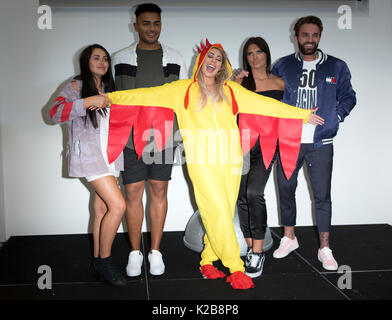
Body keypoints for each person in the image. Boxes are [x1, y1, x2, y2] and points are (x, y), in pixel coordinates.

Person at [103, 40, 324, 289]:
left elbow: (266, 104)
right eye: (211, 56)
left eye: (219, 59)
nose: (214, 61)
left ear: (223, 66)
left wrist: (302, 114)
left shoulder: (230, 91)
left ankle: (208, 260)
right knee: (216, 209)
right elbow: (144, 95)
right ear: (201, 61)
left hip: (232, 162)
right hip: (201, 163)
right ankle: (235, 266)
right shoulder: (182, 90)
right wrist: (109, 98)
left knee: (222, 213)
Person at [271, 16, 356, 270]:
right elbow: (270, 98)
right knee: (285, 190)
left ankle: (325, 248)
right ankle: (289, 238)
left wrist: (335, 117)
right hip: (289, 140)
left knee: (322, 196)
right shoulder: (283, 66)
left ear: (320, 36)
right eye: (305, 35)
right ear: (295, 37)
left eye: (315, 35)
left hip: (321, 143)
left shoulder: (337, 67)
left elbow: (349, 97)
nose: (310, 40)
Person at [111, 3, 187, 277]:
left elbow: (183, 98)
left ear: (160, 25)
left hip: (164, 138)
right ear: (136, 26)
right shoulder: (119, 57)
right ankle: (135, 252)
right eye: (146, 23)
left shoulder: (176, 57)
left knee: (158, 191)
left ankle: (155, 251)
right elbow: (112, 97)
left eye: (156, 23)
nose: (151, 28)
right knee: (131, 193)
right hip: (130, 138)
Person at [49, 44, 127, 286]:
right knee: (119, 205)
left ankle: (96, 262)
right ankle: (105, 261)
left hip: (110, 156)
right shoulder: (75, 86)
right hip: (91, 158)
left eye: (105, 58)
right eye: (96, 58)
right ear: (86, 61)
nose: (102, 62)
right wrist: (86, 102)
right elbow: (54, 113)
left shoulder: (110, 88)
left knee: (102, 209)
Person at [234, 37, 288, 278]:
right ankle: (250, 247)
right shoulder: (240, 82)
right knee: (241, 197)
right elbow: (228, 109)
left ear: (266, 54)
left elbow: (286, 113)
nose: (255, 57)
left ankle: (258, 251)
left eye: (259, 52)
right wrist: (233, 83)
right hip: (242, 145)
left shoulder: (279, 83)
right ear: (246, 58)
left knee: (254, 193)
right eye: (250, 53)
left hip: (268, 145)